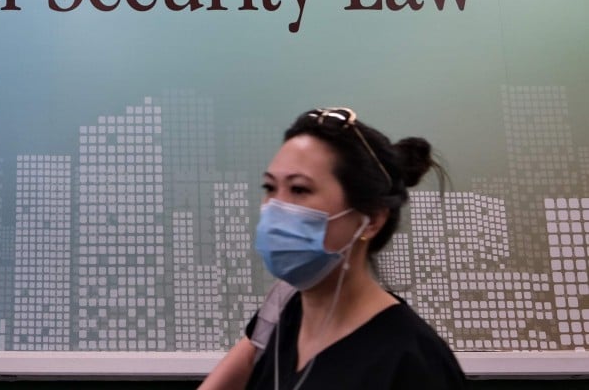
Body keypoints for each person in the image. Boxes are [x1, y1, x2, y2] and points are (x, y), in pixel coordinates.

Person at [198, 107, 466, 390]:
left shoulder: (412, 363)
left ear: (372, 219)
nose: (276, 208)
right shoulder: (287, 314)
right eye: (270, 188)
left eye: (299, 189)